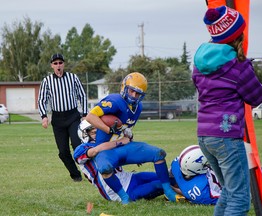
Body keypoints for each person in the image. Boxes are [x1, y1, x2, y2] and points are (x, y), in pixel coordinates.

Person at [192, 6, 262, 215]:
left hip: (205, 135)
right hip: (227, 137)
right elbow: (257, 96)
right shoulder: (238, 66)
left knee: (229, 191)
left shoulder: (199, 63)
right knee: (240, 199)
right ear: (238, 35)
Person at [83, 72, 181, 204]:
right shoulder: (114, 101)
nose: (134, 96)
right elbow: (90, 117)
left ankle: (168, 191)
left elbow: (126, 130)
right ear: (124, 87)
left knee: (158, 153)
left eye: (138, 94)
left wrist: (135, 151)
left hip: (122, 148)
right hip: (105, 150)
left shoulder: (138, 107)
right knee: (105, 168)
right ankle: (124, 198)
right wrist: (108, 129)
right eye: (131, 91)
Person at [74, 120, 165, 202]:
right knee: (158, 185)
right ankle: (176, 192)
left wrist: (127, 136)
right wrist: (119, 141)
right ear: (84, 134)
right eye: (94, 132)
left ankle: (177, 181)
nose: (98, 135)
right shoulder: (81, 149)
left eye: (99, 131)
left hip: (129, 177)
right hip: (118, 190)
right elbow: (94, 151)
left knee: (166, 178)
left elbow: (125, 149)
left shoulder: (107, 143)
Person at [169, 145, 262, 205]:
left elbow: (173, 181)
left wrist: (173, 190)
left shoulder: (177, 165)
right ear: (199, 169)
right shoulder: (204, 191)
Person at [38, 53, 88, 182]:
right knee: (63, 152)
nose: (58, 65)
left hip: (73, 116)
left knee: (78, 146)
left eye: (60, 63)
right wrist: (44, 116)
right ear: (52, 66)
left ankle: (89, 171)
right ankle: (75, 175)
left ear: (63, 64)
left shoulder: (73, 78)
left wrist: (85, 114)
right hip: (58, 119)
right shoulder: (47, 81)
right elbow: (41, 100)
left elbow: (82, 95)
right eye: (55, 63)